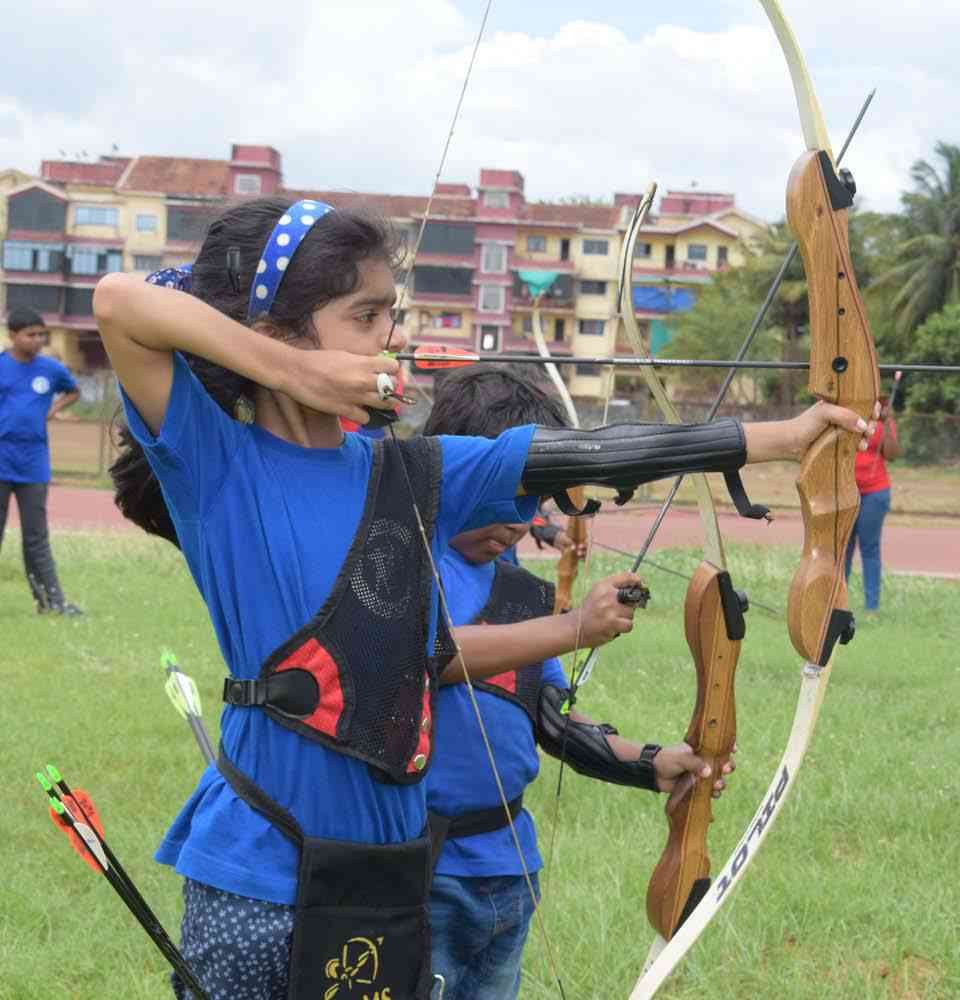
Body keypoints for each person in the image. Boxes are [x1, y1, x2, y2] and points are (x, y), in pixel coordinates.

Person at [94, 195, 871, 999]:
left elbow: (586, 452)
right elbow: (120, 305)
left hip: (393, 881)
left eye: (392, 316)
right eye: (365, 316)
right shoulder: (218, 463)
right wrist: (291, 371)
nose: (390, 339)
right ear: (283, 329)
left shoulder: (416, 471)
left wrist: (780, 439)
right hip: (259, 876)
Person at [418, 364, 731, 1000]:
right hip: (419, 874)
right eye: (508, 493)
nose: (521, 517)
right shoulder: (409, 565)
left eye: (535, 496)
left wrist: (653, 763)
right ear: (455, 470)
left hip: (508, 870)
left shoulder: (519, 593)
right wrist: (575, 627)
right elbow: (434, 655)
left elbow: (553, 718)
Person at [1, 307, 83, 615]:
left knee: (36, 538)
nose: (37, 340)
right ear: (13, 335)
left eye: (41, 334)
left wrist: (52, 410)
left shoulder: (50, 369)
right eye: (30, 334)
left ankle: (52, 603)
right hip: (1, 461)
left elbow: (73, 391)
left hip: (33, 465)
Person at [844, 388, 900, 618]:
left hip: (875, 494)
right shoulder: (847, 417)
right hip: (845, 492)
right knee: (843, 550)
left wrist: (887, 425)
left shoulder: (883, 421)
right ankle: (839, 605)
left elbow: (893, 454)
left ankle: (871, 608)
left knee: (869, 548)